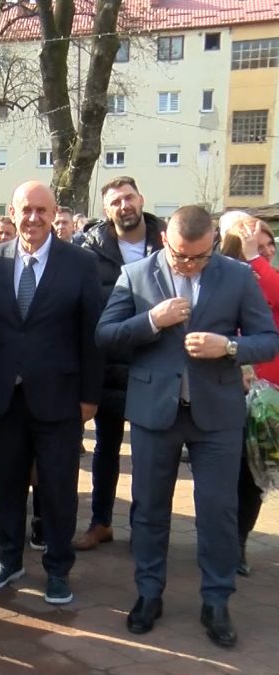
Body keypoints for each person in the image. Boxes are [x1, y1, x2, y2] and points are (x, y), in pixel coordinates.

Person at [96, 205, 279, 649]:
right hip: (154, 412)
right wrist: (151, 321)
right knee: (149, 508)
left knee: (218, 511)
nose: (189, 264)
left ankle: (216, 601)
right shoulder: (135, 275)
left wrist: (229, 346)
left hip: (216, 414)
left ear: (213, 243)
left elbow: (269, 339)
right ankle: (148, 593)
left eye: (199, 256)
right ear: (165, 240)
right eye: (181, 256)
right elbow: (106, 335)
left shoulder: (236, 277)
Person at [0, 181, 103, 605]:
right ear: (12, 212)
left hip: (60, 397)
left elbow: (92, 334)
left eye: (42, 210)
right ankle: (8, 559)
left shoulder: (80, 263)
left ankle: (58, 569)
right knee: (6, 483)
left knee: (58, 488)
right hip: (2, 396)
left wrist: (90, 395)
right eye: (26, 209)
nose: (33, 218)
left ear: (54, 213)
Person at [73, 176, 165, 552]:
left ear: (141, 199)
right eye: (115, 202)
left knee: (149, 455)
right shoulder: (90, 249)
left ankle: (143, 527)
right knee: (106, 449)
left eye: (129, 198)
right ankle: (101, 522)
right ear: (106, 210)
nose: (124, 206)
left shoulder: (167, 241)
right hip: (109, 363)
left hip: (155, 363)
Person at [218, 217, 277, 577]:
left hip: (268, 400)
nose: (265, 251)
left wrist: (255, 258)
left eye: (270, 245)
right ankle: (221, 538)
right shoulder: (222, 276)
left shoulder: (269, 277)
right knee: (227, 472)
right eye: (257, 244)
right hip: (227, 390)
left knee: (255, 474)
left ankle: (237, 540)